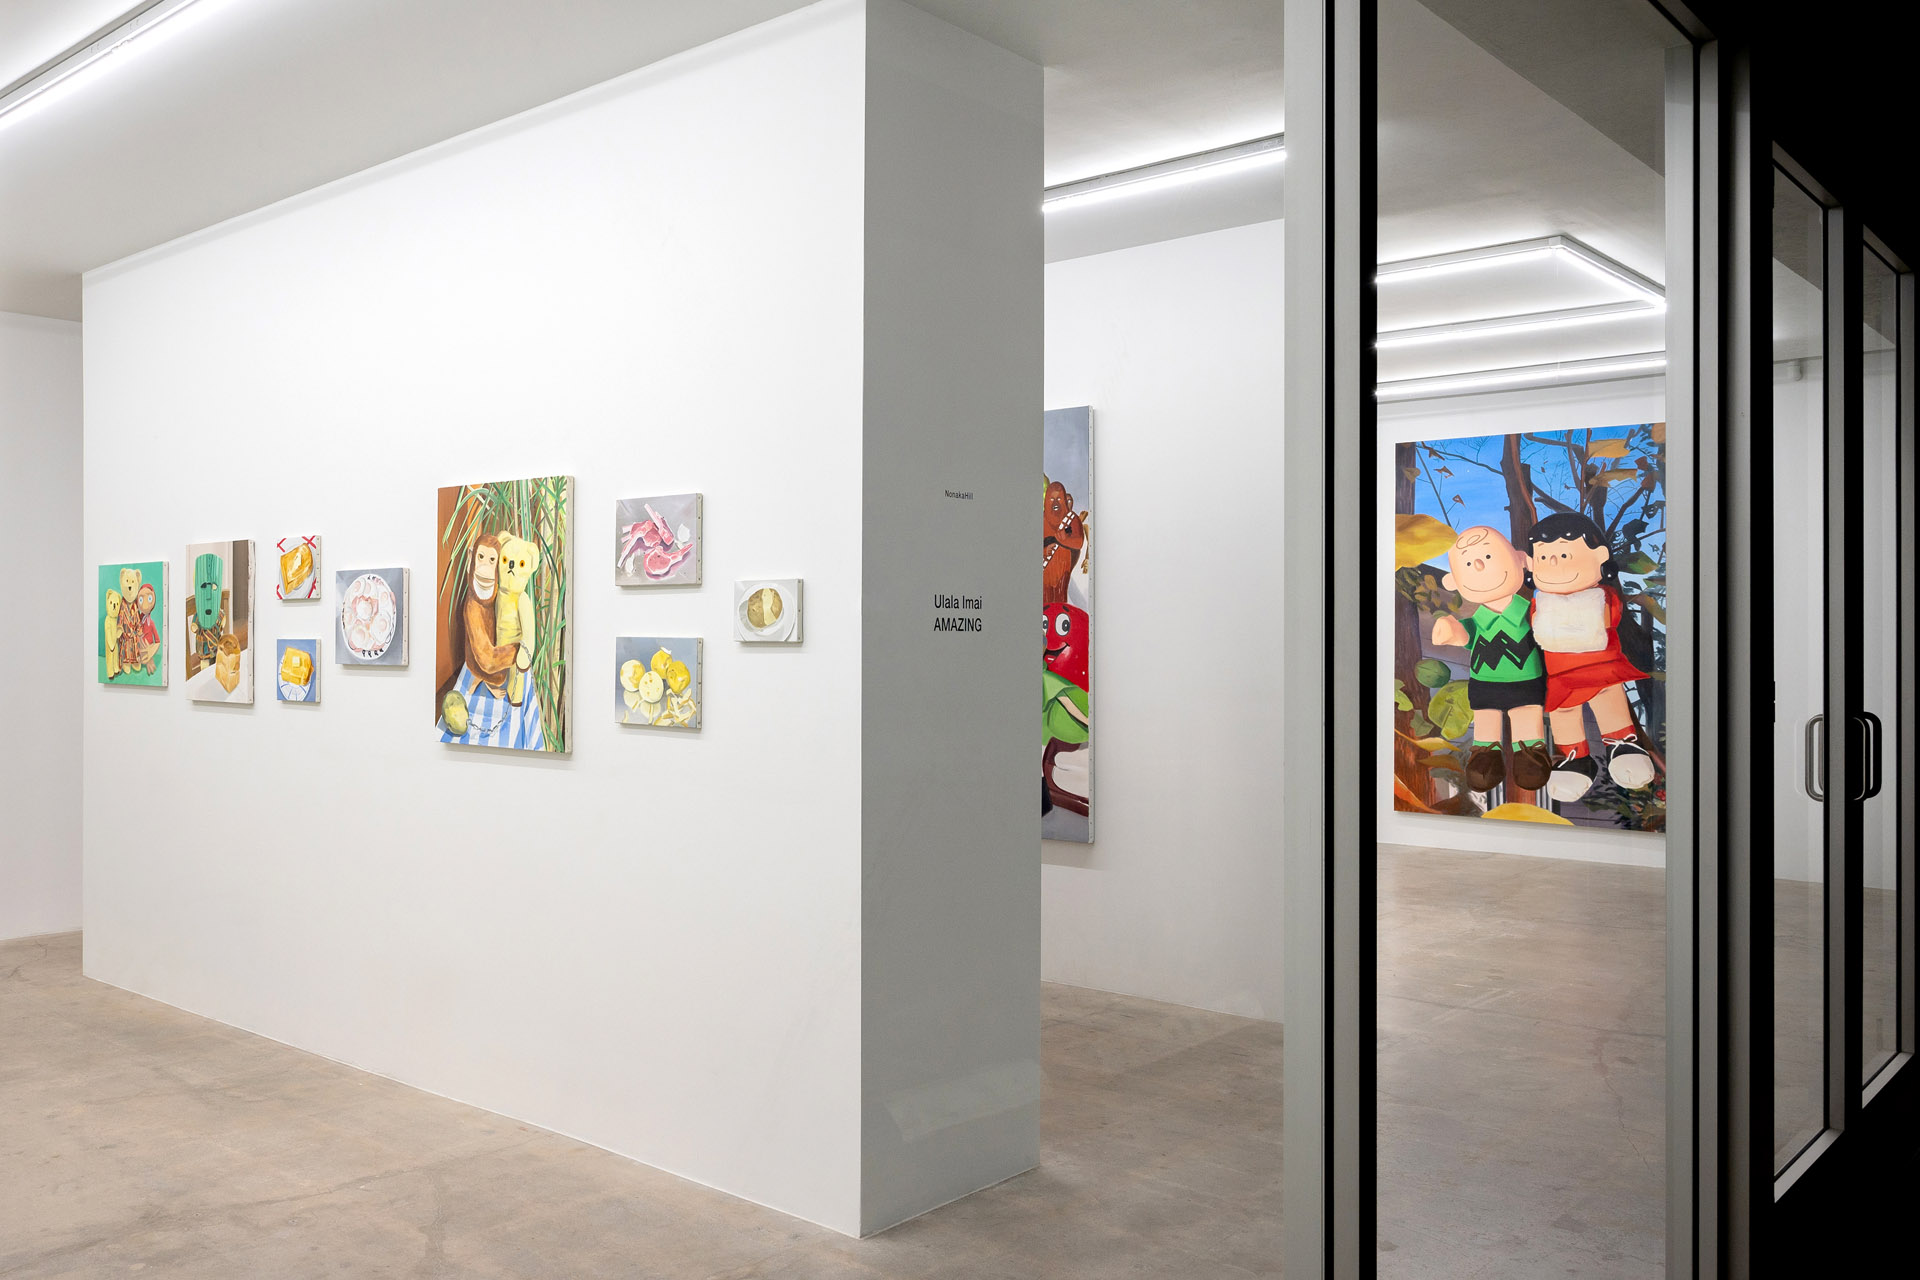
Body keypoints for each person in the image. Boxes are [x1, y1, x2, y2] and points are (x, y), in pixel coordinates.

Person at [1526, 511, 1656, 801]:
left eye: (1564, 554)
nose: (1553, 562)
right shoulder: (1539, 603)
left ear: (1600, 558)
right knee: (1563, 713)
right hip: (1560, 677)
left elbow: (1611, 618)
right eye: (1544, 557)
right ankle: (1575, 759)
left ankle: (1622, 745)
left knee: (1608, 698)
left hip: (1601, 670)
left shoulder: (1602, 597)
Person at [1430, 527, 1550, 792]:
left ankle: (1530, 755)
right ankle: (1485, 755)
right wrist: (1450, 631)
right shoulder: (1477, 622)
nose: (1479, 565)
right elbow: (1465, 635)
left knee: (1526, 716)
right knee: (1486, 720)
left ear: (1521, 560)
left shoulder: (1531, 613)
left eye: (1487, 556)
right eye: (1468, 564)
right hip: (1485, 684)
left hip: (1526, 683)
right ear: (1453, 581)